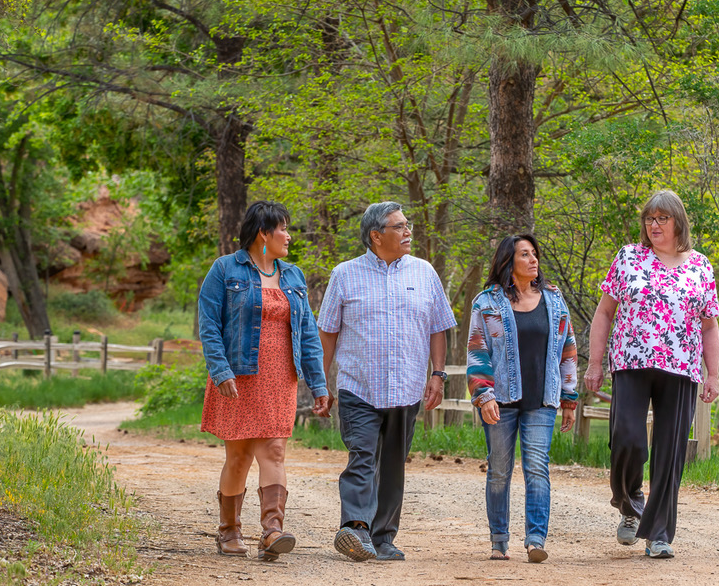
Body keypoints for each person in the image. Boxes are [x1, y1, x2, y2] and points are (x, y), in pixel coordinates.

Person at [585, 190, 719, 559]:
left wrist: (713, 374)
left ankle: (658, 532)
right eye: (649, 218)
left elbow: (709, 326)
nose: (654, 225)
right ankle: (629, 503)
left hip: (682, 368)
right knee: (627, 438)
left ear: (679, 222)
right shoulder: (629, 257)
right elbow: (604, 313)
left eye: (662, 218)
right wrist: (595, 363)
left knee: (670, 452)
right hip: (630, 361)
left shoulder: (700, 266)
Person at [318, 202, 457, 562]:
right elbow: (327, 333)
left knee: (393, 465)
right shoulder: (344, 275)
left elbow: (438, 328)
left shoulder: (424, 273)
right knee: (362, 456)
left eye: (407, 225)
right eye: (399, 226)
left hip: (407, 388)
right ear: (376, 236)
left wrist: (438, 375)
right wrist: (321, 383)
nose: (408, 231)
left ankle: (382, 539)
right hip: (358, 386)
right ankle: (356, 529)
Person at [197, 201, 330, 561]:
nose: (288, 236)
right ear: (262, 233)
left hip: (279, 377)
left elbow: (307, 335)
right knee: (239, 455)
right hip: (237, 375)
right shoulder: (225, 269)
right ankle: (229, 531)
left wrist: (318, 384)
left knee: (274, 450)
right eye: (283, 229)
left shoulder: (294, 276)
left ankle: (272, 532)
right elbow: (209, 326)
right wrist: (220, 370)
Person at [466, 235, 580, 563]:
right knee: (500, 470)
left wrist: (569, 398)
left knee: (537, 468)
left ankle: (535, 539)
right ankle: (499, 540)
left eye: (535, 254)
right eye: (525, 255)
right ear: (508, 262)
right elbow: (477, 350)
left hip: (542, 401)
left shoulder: (554, 301)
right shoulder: (486, 302)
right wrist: (483, 394)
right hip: (499, 400)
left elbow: (568, 350)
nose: (533, 260)